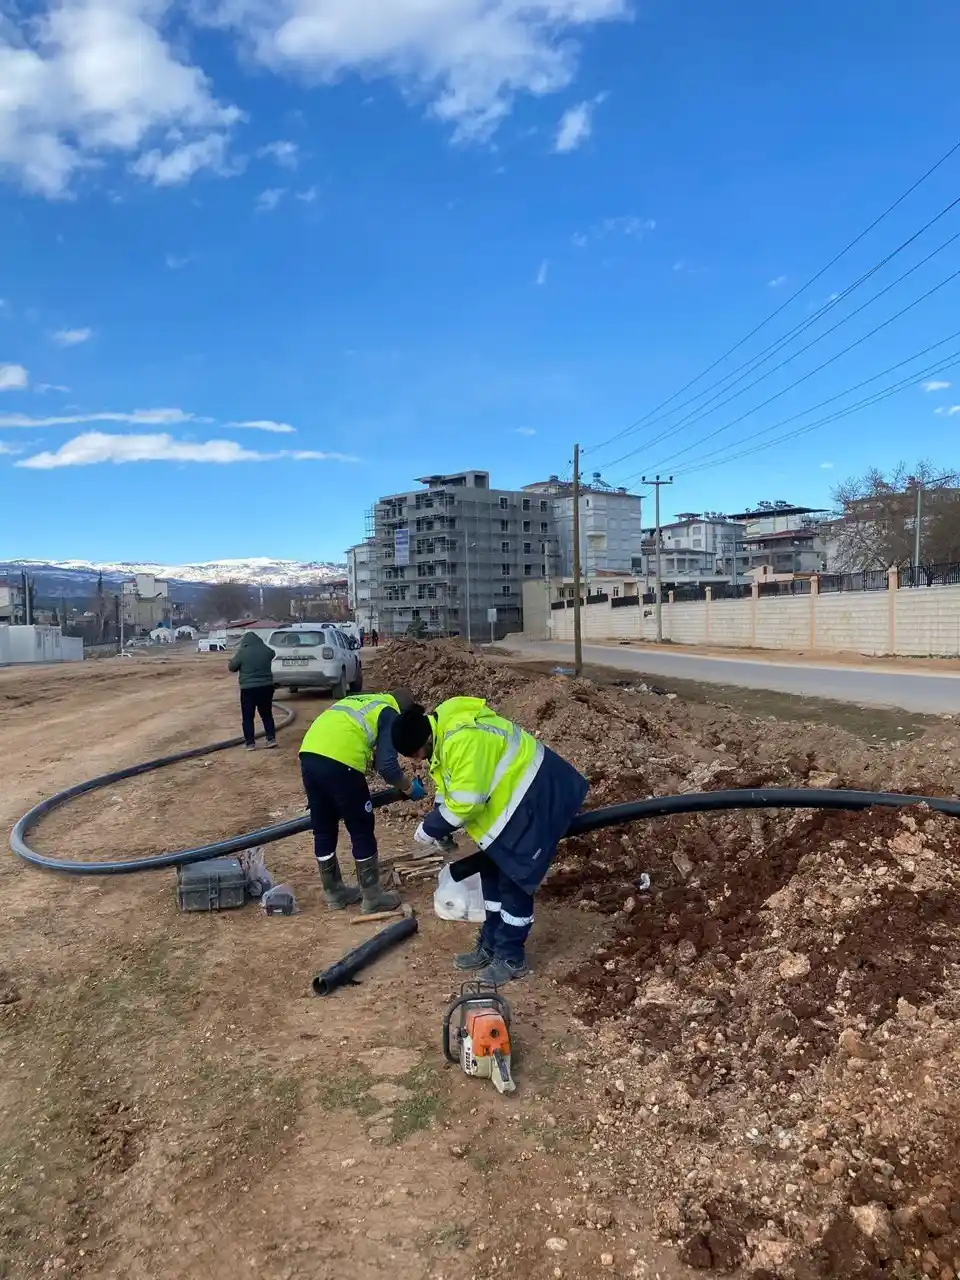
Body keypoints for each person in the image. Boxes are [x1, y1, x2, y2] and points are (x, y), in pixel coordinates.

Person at [391, 696, 588, 983]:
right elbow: (451, 784)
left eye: (415, 755)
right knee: (491, 876)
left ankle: (511, 958)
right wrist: (439, 817)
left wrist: (430, 828)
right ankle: (491, 944)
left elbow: (467, 803)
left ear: (424, 741)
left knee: (514, 882)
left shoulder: (462, 740)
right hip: (514, 804)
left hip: (537, 796)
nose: (416, 761)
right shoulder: (442, 734)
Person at [299, 689, 427, 913]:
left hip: (309, 755)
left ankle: (334, 893)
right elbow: (386, 766)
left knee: (324, 827)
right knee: (361, 827)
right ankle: (372, 897)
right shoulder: (389, 713)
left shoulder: (363, 701)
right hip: (341, 762)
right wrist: (408, 787)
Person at [228, 632, 277, 750]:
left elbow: (232, 667)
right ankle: (271, 739)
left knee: (248, 717)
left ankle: (250, 743)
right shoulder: (266, 651)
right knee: (267, 714)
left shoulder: (242, 652)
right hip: (266, 687)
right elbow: (272, 653)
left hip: (248, 689)